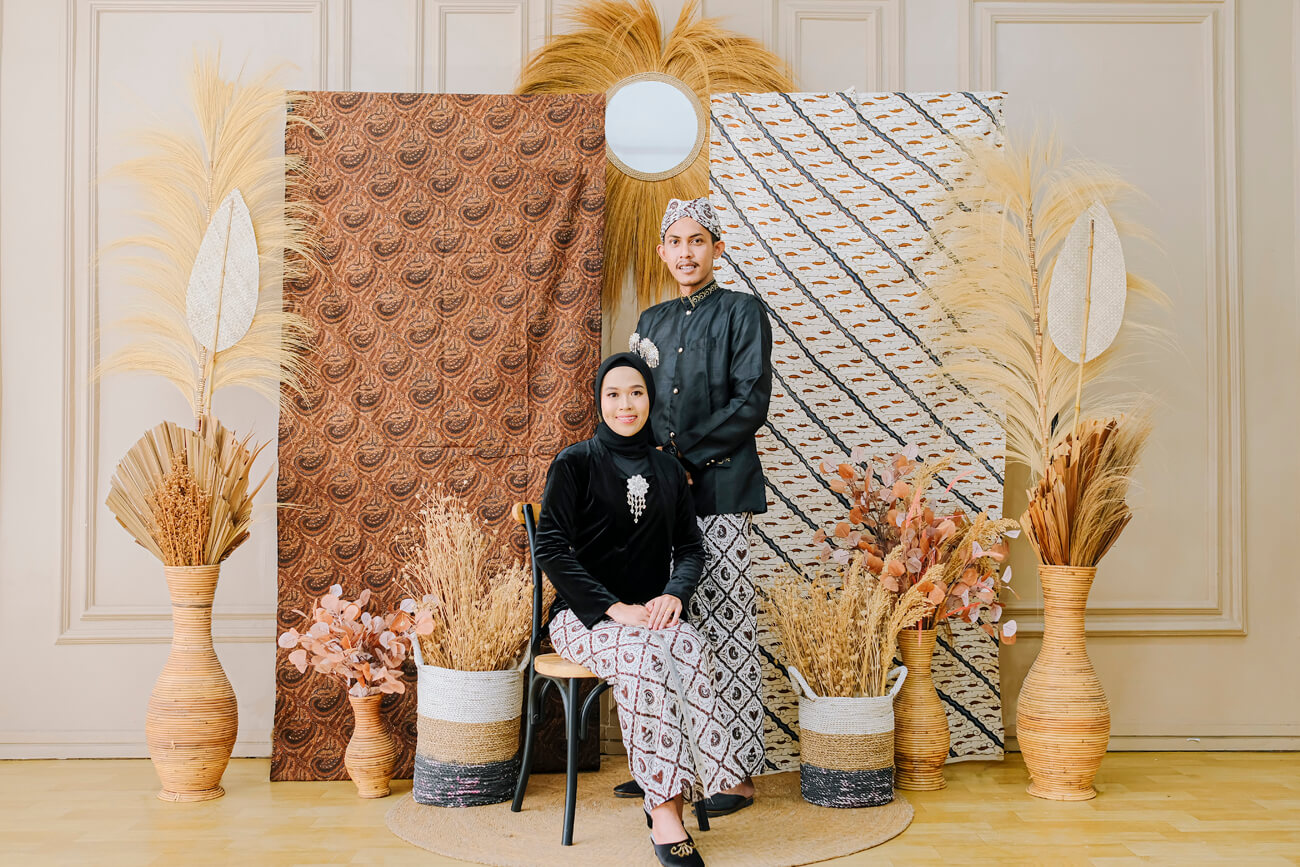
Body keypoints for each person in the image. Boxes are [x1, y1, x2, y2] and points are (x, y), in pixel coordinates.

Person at [535, 352, 746, 867]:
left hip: (652, 616)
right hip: (583, 617)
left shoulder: (668, 469)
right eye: (613, 394)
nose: (625, 404)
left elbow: (690, 548)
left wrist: (675, 593)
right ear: (599, 401)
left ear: (650, 399)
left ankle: (701, 783)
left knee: (689, 644)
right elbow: (551, 549)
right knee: (645, 658)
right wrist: (613, 608)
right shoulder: (574, 463)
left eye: (636, 392)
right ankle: (665, 811)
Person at [617, 197, 773, 816]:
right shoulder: (651, 322)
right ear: (662, 252)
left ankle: (735, 777)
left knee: (725, 625)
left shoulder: (742, 312)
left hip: (721, 491)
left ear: (717, 248)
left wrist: (683, 459)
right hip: (657, 499)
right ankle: (669, 772)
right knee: (665, 627)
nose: (687, 252)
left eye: (698, 241)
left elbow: (750, 401)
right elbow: (634, 402)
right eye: (676, 242)